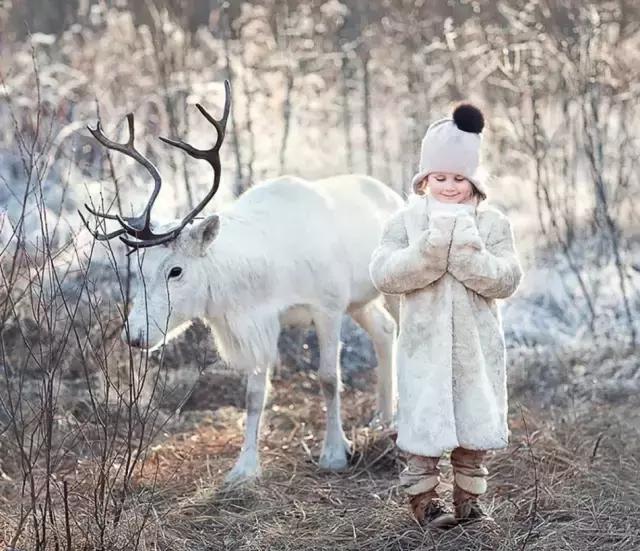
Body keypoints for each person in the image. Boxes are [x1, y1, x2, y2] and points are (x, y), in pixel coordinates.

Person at [369, 104, 523, 528]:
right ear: (424, 180)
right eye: (440, 178)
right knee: (422, 428)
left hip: (475, 350)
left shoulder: (491, 224)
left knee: (474, 431)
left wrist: (469, 252)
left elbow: (506, 279)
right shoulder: (404, 222)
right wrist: (431, 249)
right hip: (424, 348)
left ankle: (470, 502)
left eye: (459, 178)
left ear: (473, 179)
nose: (450, 186)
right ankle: (424, 502)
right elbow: (384, 274)